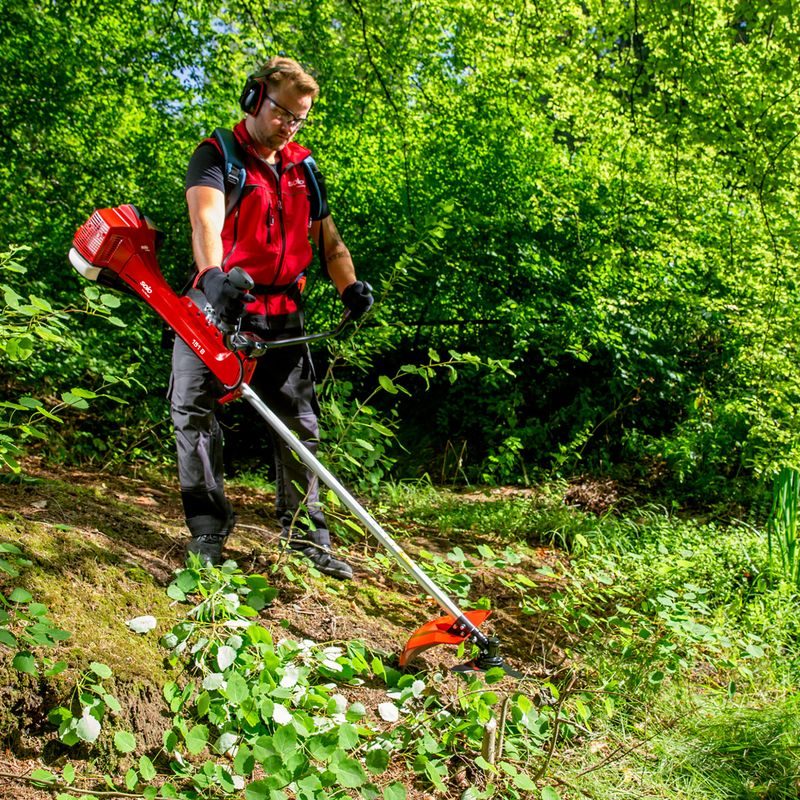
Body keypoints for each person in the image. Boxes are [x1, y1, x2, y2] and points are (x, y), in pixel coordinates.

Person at [169, 57, 373, 579]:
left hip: (283, 311)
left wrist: (350, 286)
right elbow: (204, 222)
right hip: (218, 304)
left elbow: (330, 244)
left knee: (300, 425)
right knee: (194, 413)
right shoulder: (218, 156)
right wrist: (213, 277)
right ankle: (208, 530)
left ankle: (307, 537)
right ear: (255, 98)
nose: (290, 125)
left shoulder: (304, 168)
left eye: (300, 118)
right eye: (283, 113)